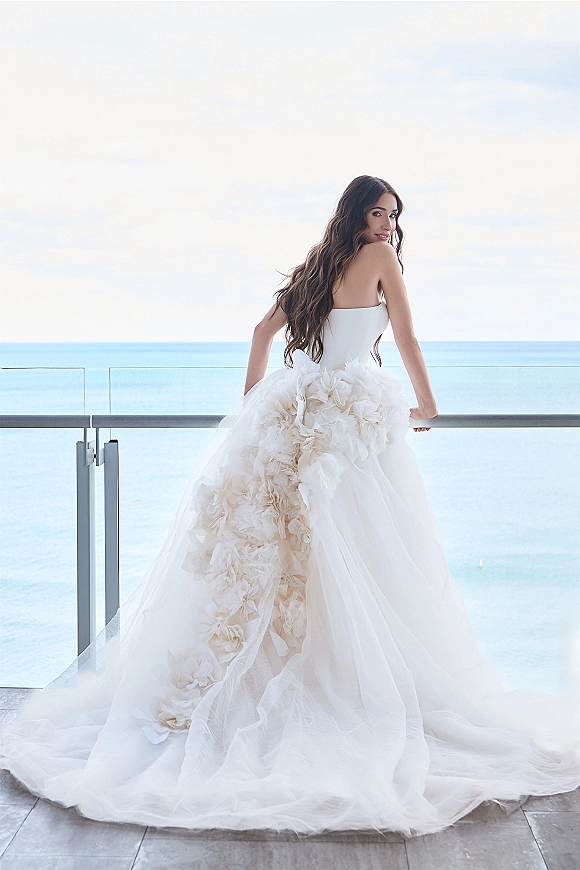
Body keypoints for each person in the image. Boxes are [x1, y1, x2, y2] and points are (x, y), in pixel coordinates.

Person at [1, 175, 578, 837]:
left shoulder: (317, 264)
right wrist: (429, 405)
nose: (387, 225)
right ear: (356, 214)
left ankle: (296, 680)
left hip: (296, 413)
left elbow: (260, 332)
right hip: (346, 427)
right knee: (354, 560)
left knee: (294, 562)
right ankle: (344, 691)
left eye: (393, 215)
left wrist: (252, 407)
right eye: (378, 212)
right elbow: (410, 339)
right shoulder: (380, 261)